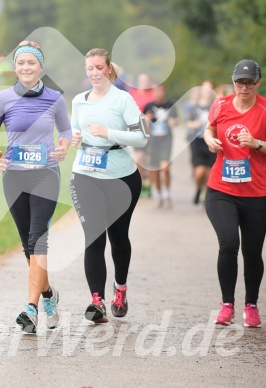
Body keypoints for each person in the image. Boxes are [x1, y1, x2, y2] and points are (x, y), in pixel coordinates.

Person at [0, 40, 72, 334]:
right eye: (21, 63)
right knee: (28, 246)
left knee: (39, 239)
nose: (25, 68)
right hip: (15, 176)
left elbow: (67, 130)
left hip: (46, 174)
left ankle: (30, 309)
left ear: (41, 67)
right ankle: (48, 294)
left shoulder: (55, 98)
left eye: (31, 63)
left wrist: (64, 145)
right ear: (15, 67)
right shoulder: (3, 98)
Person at [203, 59, 266, 328]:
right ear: (233, 81)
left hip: (257, 194)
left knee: (252, 252)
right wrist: (210, 139)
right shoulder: (222, 104)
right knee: (228, 244)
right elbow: (209, 128)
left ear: (258, 83)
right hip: (221, 190)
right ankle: (227, 305)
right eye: (240, 82)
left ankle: (251, 306)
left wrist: (257, 143)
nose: (244, 87)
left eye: (250, 82)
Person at [70, 48, 148, 324]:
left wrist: (108, 133)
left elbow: (141, 138)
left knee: (118, 237)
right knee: (93, 237)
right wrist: (74, 137)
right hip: (85, 175)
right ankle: (97, 301)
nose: (94, 73)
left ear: (109, 68)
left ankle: (120, 290)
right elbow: (72, 131)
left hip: (121, 177)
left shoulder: (123, 99)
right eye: (89, 68)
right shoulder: (79, 101)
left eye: (99, 67)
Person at [143, 83, 178, 208]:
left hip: (166, 141)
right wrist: (146, 119)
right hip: (153, 142)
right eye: (156, 90)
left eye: (160, 90)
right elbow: (141, 124)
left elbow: (176, 120)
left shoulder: (170, 105)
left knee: (165, 168)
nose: (158, 93)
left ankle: (166, 193)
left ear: (164, 91)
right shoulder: (149, 106)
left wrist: (172, 121)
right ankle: (158, 194)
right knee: (155, 170)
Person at [185, 80, 217, 205]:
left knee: (209, 172)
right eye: (205, 89)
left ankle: (205, 195)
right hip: (197, 141)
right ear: (201, 91)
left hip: (211, 141)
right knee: (199, 172)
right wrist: (195, 124)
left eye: (210, 89)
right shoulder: (193, 107)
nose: (207, 92)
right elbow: (188, 122)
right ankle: (198, 188)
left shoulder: (216, 107)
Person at [129, 73, 155, 197]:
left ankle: (148, 184)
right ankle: (140, 184)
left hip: (153, 132)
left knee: (149, 160)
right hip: (137, 130)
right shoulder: (132, 95)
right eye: (142, 81)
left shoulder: (153, 95)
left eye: (146, 81)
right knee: (139, 158)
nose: (144, 83)